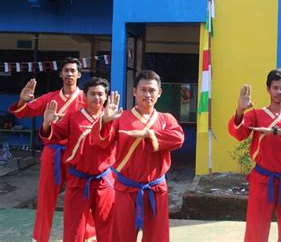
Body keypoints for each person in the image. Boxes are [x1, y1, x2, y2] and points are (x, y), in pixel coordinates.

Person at [8, 57, 95, 242]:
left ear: (79, 74)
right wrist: (22, 100)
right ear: (60, 74)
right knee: (46, 199)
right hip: (52, 153)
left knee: (80, 198)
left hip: (77, 156)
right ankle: (40, 238)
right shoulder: (50, 97)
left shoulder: (85, 99)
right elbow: (23, 112)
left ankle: (85, 236)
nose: (69, 74)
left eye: (73, 71)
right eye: (66, 70)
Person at [92, 70, 184, 242]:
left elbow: (178, 138)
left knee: (157, 237)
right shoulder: (121, 117)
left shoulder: (166, 119)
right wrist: (104, 121)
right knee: (121, 236)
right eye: (143, 90)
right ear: (134, 91)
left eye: (152, 90)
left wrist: (148, 135)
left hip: (156, 190)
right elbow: (99, 141)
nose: (147, 94)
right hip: (125, 189)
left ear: (159, 93)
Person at [227, 68, 281, 242]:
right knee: (256, 225)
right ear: (268, 89)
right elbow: (239, 133)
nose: (279, 92)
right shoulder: (256, 115)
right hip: (262, 178)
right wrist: (240, 110)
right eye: (275, 88)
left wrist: (277, 131)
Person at [40, 77, 115, 241]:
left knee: (108, 229)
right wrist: (46, 123)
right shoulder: (73, 117)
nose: (97, 98)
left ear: (106, 97)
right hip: (78, 182)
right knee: (74, 230)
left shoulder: (114, 119)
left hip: (104, 182)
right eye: (92, 94)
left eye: (100, 94)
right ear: (84, 97)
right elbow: (52, 137)